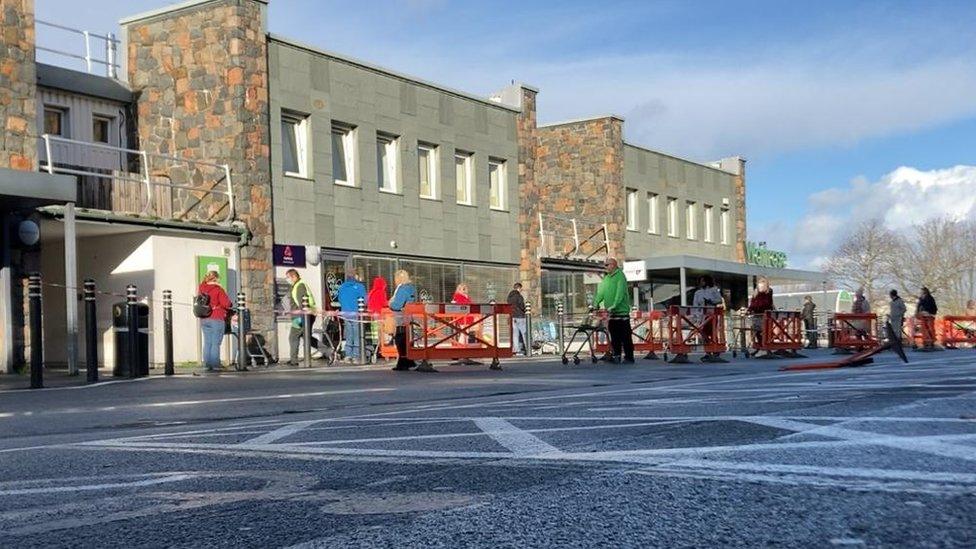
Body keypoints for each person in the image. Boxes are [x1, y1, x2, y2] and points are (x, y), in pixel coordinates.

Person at [592, 257, 633, 363]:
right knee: (614, 336)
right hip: (612, 313)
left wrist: (614, 305)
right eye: (605, 265)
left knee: (625, 336)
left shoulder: (620, 276)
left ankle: (629, 357)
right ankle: (616, 356)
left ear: (613, 265)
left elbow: (620, 293)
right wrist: (595, 303)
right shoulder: (606, 278)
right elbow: (601, 292)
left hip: (621, 312)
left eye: (607, 265)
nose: (605, 267)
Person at [197, 270, 232, 372]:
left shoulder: (201, 288)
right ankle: (215, 365)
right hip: (216, 318)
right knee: (215, 343)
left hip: (204, 318)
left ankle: (207, 365)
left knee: (207, 342)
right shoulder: (218, 289)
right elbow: (227, 303)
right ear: (216, 278)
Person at [286, 268, 322, 365]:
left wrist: (301, 317)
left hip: (301, 316)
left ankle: (294, 360)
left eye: (288, 277)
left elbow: (303, 303)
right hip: (304, 315)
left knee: (293, 337)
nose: (287, 279)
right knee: (307, 337)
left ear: (294, 276)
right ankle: (328, 351)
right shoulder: (297, 285)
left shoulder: (299, 286)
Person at [336, 266, 366, 363]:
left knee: (349, 335)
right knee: (357, 335)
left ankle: (348, 355)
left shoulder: (342, 287)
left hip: (346, 314)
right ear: (355, 276)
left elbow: (340, 300)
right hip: (357, 314)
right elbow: (365, 301)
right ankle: (356, 356)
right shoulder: (360, 287)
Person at [389, 269, 418, 371]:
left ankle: (403, 362)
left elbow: (397, 304)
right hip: (409, 316)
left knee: (400, 340)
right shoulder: (411, 289)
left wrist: (390, 304)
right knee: (408, 340)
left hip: (401, 317)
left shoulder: (402, 289)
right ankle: (409, 360)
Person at [692, 275, 723, 360]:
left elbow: (719, 300)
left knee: (712, 332)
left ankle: (715, 350)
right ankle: (708, 351)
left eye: (703, 281)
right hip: (702, 316)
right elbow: (695, 305)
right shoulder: (698, 293)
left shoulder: (714, 290)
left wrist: (711, 301)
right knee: (703, 333)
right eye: (701, 281)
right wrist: (696, 316)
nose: (702, 283)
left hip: (712, 314)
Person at [747, 276, 774, 350]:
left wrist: (761, 293)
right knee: (757, 330)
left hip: (765, 314)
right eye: (759, 283)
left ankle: (765, 345)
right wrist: (749, 309)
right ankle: (761, 344)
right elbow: (752, 302)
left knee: (765, 330)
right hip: (756, 314)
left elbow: (767, 303)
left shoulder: (768, 291)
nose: (760, 285)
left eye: (762, 283)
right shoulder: (755, 292)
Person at [507, 282, 528, 356]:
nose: (521, 290)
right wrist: (526, 310)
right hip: (520, 316)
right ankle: (527, 348)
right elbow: (522, 306)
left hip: (513, 317)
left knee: (515, 334)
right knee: (524, 332)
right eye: (521, 289)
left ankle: (516, 350)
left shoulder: (509, 297)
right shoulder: (519, 296)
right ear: (519, 288)